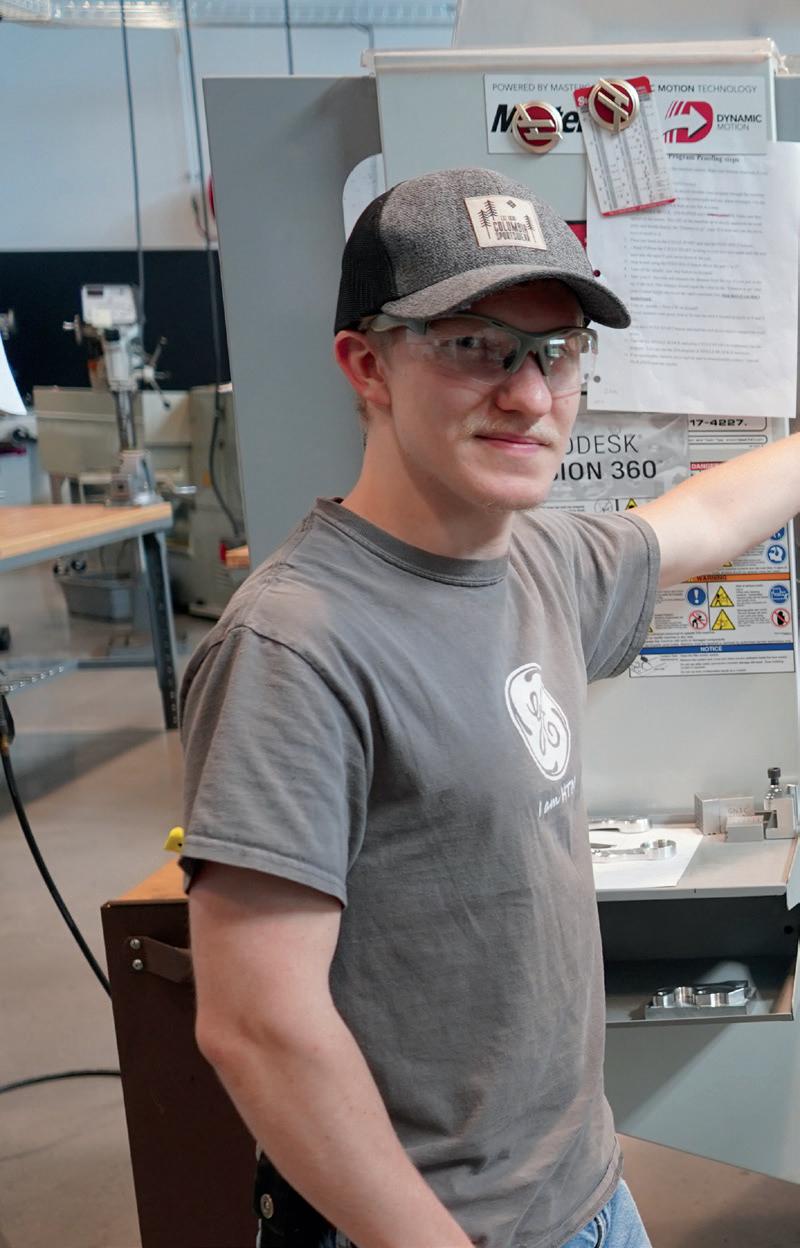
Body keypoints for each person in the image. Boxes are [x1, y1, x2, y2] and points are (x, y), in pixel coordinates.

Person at [180, 167, 799, 1248]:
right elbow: (259, 1027)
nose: (528, 395)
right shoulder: (295, 644)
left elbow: (699, 521)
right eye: (474, 346)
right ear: (365, 365)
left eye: (555, 351)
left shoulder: (538, 563)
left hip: (587, 1194)